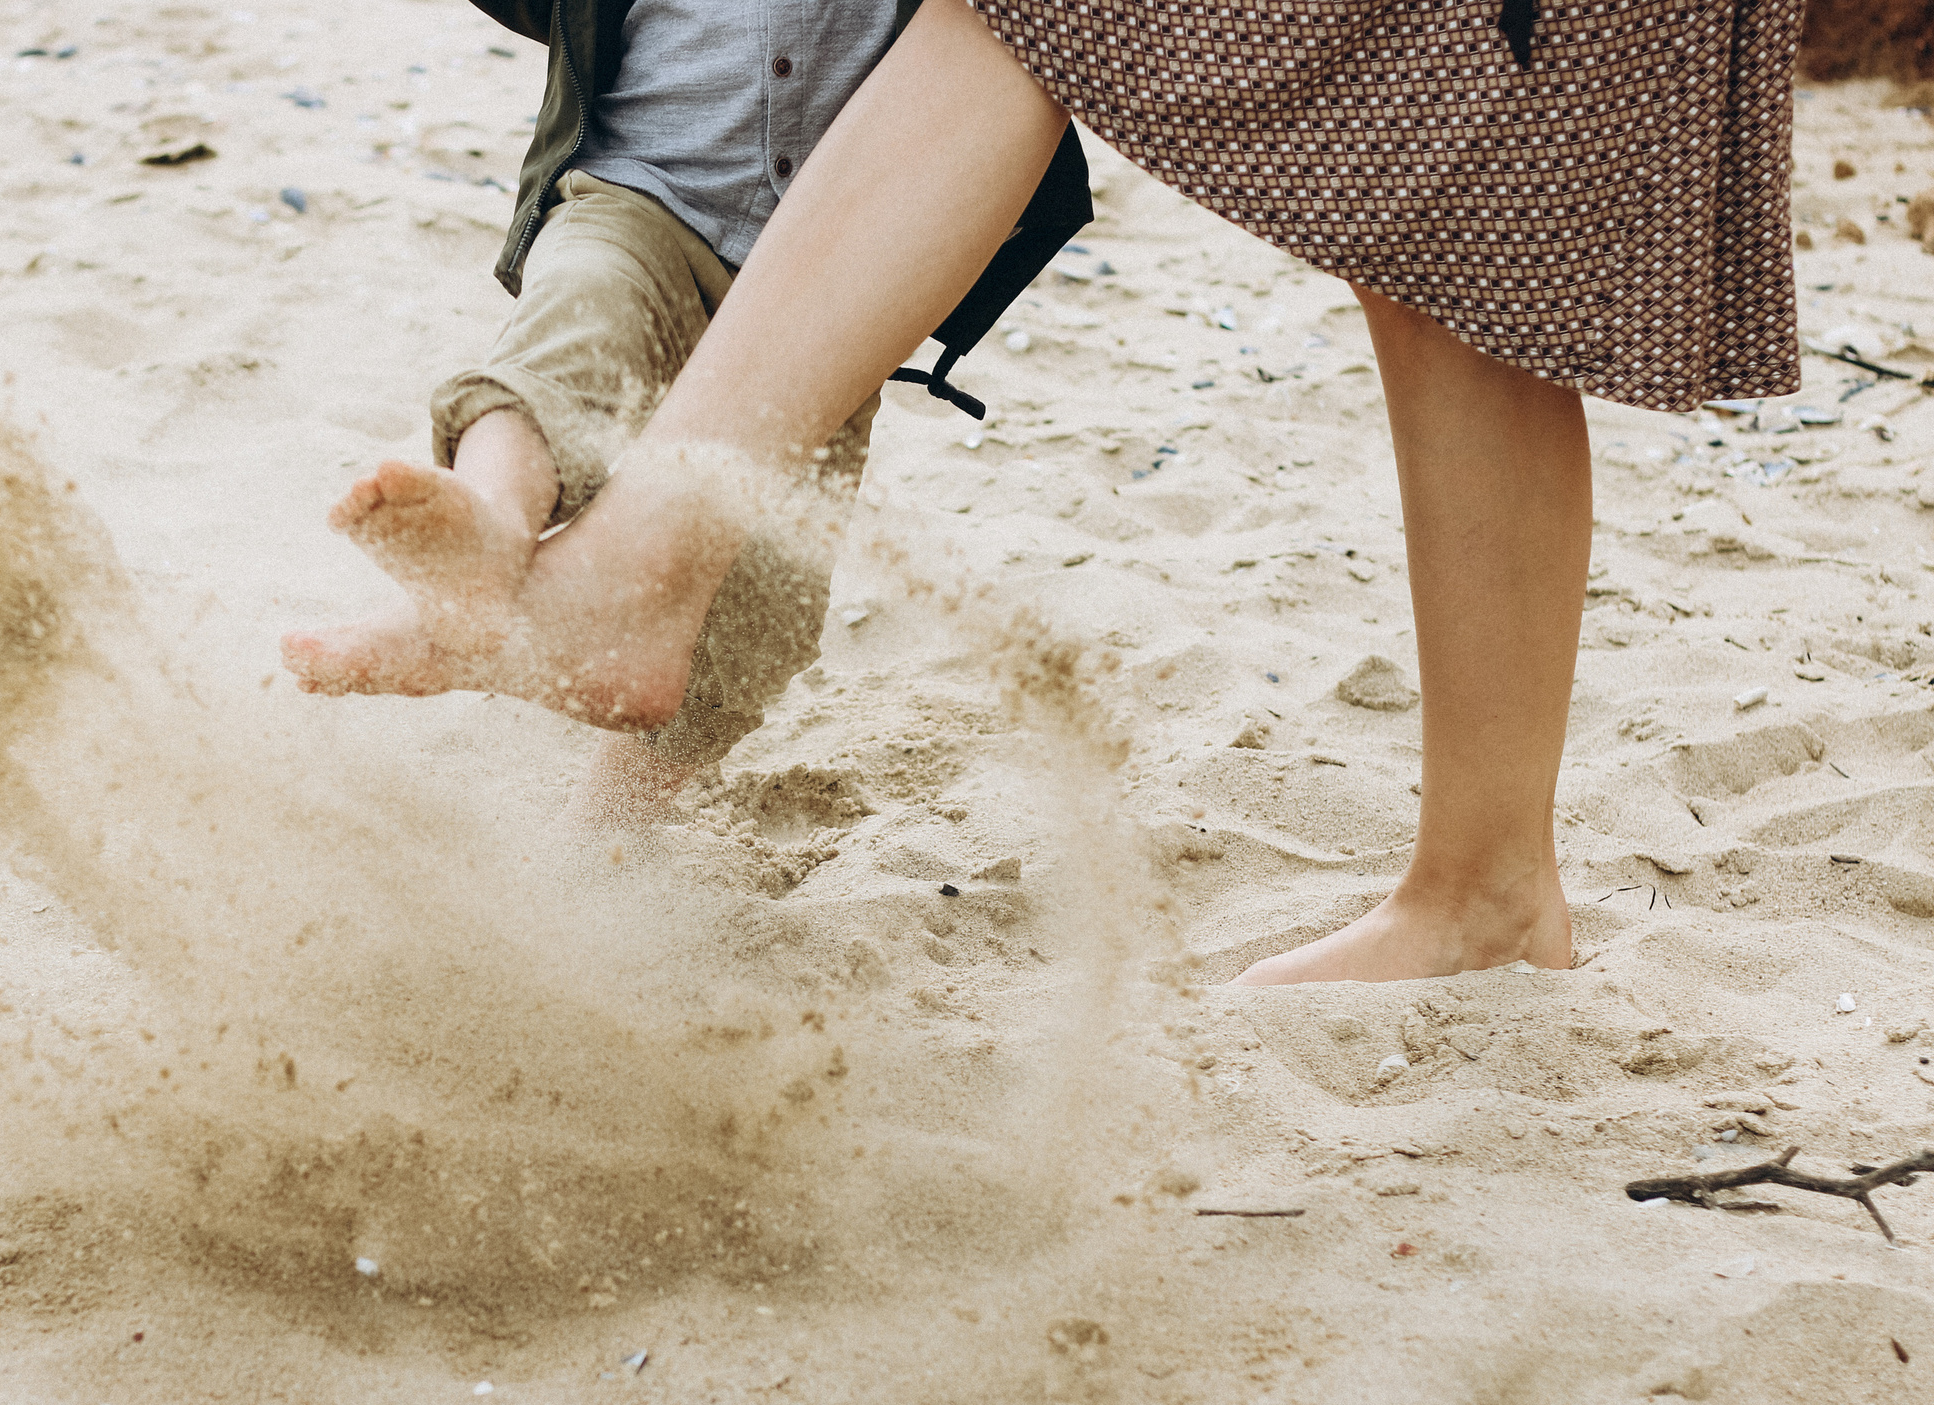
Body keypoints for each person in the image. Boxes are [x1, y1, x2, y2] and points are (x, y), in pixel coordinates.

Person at [285, 0, 1802, 984]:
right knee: (1471, 196)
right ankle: (1489, 881)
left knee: (1036, 16)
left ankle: (644, 561)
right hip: (638, 213)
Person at [281, 0, 1090, 827]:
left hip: (837, 284)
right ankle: (488, 524)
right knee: (568, 343)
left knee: (759, 608)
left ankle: (611, 823)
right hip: (639, 198)